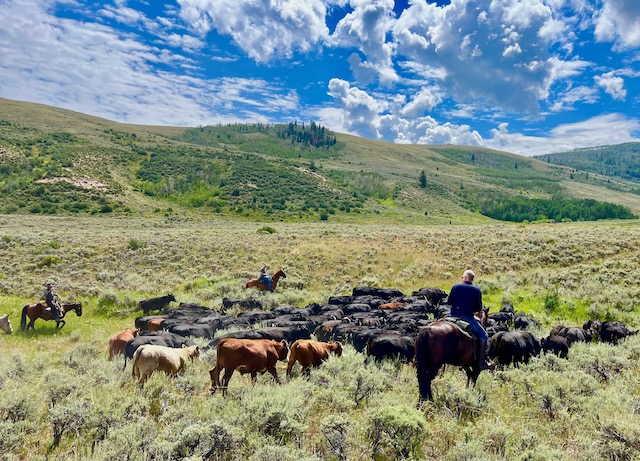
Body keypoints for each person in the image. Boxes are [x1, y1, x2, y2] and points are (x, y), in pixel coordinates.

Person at [447, 270, 492, 370]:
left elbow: (449, 302)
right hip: (467, 318)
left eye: (463, 277)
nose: (462, 279)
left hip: (452, 317)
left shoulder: (456, 287)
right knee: (484, 336)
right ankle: (481, 362)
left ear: (466, 278)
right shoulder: (476, 290)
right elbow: (478, 308)